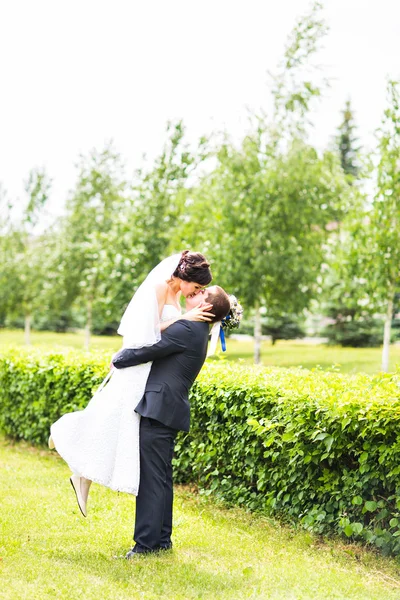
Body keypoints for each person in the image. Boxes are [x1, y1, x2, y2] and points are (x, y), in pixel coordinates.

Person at [49, 251, 213, 517]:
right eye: (196, 287)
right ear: (184, 277)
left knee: (118, 424)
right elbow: (147, 331)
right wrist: (183, 319)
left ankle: (82, 474)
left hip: (151, 369)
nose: (195, 293)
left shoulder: (177, 297)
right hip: (139, 364)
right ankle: (67, 433)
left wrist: (186, 319)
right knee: (115, 416)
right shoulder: (160, 287)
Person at [112, 285, 231, 556]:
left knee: (151, 480)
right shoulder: (196, 329)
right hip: (168, 408)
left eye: (203, 292)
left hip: (159, 408)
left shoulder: (189, 329)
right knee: (161, 478)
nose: (196, 291)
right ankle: (162, 541)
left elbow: (150, 348)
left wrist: (118, 358)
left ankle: (144, 545)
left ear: (207, 306)